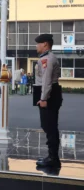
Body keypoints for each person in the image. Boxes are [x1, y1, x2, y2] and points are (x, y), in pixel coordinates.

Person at [35, 34, 62, 168]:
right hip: (49, 93)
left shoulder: (47, 59)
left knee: (50, 126)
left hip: (49, 95)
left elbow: (46, 81)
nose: (36, 46)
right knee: (48, 126)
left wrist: (43, 98)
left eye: (38, 43)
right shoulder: (47, 58)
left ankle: (53, 158)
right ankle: (52, 156)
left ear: (45, 44)